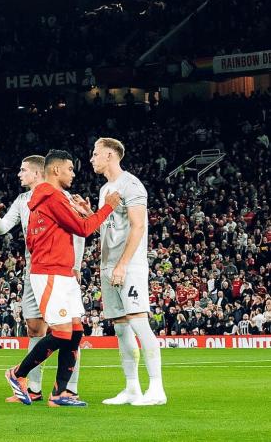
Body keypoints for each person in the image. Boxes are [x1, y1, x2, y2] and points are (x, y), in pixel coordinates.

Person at [6, 150, 118, 407]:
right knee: (62, 333)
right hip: (50, 273)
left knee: (76, 332)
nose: (73, 173)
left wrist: (86, 213)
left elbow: (37, 241)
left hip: (62, 272)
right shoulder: (52, 197)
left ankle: (60, 392)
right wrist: (108, 207)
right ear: (56, 170)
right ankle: (18, 374)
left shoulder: (44, 200)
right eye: (70, 168)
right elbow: (83, 229)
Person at [92, 137, 166, 406]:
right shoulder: (104, 190)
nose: (92, 158)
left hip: (129, 265)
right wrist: (85, 212)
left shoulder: (131, 185)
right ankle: (132, 387)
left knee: (138, 322)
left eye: (96, 153)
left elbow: (137, 226)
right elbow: (110, 224)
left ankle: (157, 388)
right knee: (121, 329)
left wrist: (122, 264)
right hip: (108, 265)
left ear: (110, 155)